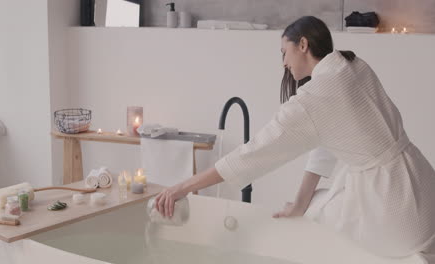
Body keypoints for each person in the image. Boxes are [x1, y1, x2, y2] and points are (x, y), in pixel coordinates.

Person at [153, 16, 435, 258]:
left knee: (318, 207)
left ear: (303, 45)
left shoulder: (313, 99)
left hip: (396, 211)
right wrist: (300, 203)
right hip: (424, 185)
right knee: (317, 201)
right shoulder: (353, 67)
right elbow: (328, 144)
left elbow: (250, 156)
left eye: (284, 53)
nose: (284, 63)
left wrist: (183, 187)